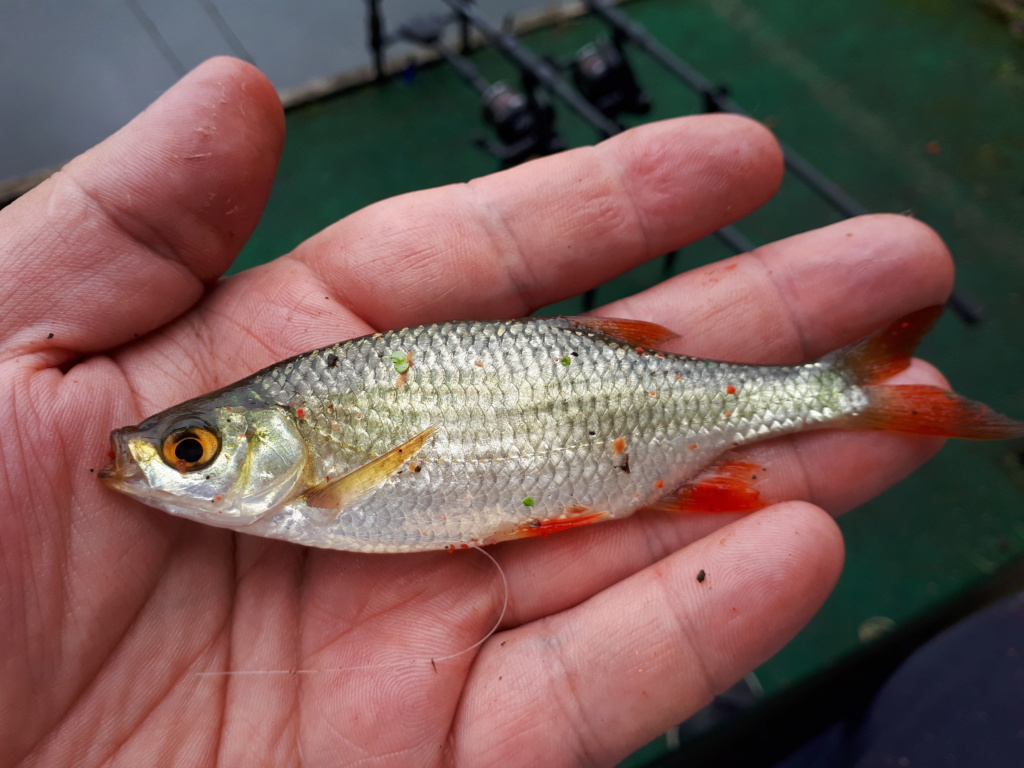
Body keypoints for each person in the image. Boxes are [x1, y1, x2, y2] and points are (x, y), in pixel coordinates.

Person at [0, 57, 956, 767]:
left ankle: (841, 391)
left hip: (609, 415)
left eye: (191, 446)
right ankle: (846, 391)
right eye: (190, 448)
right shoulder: (291, 488)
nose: (166, 461)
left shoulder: (313, 496)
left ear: (284, 441)